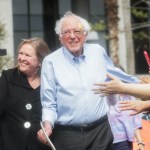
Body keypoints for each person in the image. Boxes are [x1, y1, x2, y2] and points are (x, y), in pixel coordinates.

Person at [37, 11, 139, 150]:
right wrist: (47, 125)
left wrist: (139, 83)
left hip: (101, 131)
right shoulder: (50, 62)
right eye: (67, 32)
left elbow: (115, 73)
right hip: (68, 135)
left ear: (85, 34)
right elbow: (49, 103)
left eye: (77, 31)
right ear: (60, 37)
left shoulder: (97, 51)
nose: (72, 36)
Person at [0, 37, 50, 150]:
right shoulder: (8, 77)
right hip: (9, 145)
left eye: (27, 55)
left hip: (39, 146)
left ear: (40, 60)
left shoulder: (49, 82)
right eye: (20, 53)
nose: (21, 58)